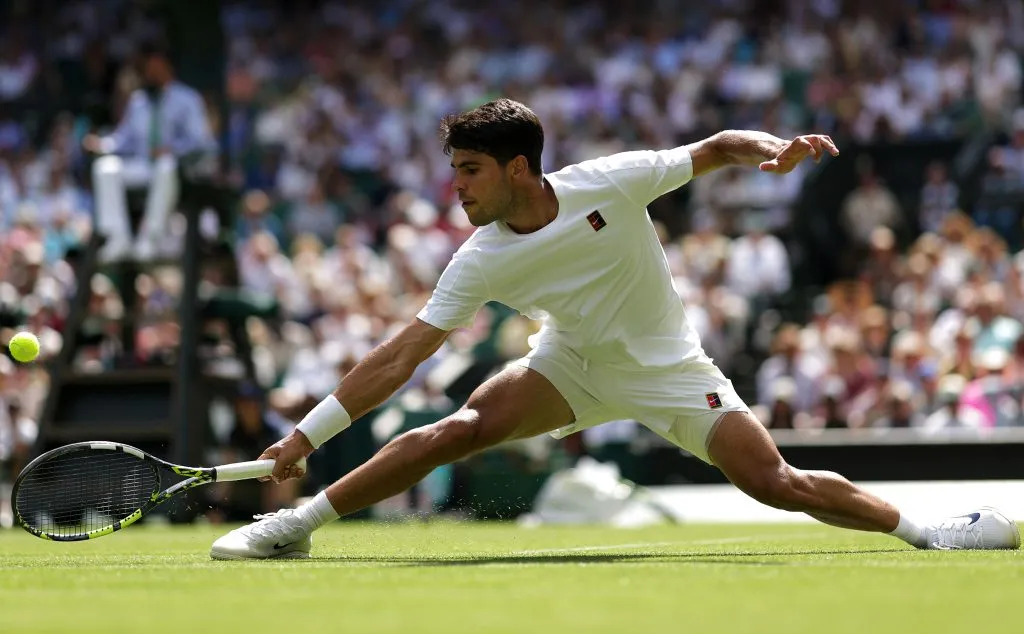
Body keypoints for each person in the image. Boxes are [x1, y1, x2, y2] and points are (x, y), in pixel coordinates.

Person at [210, 99, 1020, 559]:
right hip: (569, 364)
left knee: (773, 484)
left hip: (669, 369)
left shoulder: (611, 181)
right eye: (455, 169)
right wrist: (307, 436)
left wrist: (768, 151)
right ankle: (297, 525)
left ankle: (929, 531)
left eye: (470, 171)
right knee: (456, 428)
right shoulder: (478, 257)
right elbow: (400, 359)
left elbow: (713, 147)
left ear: (518, 169)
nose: (455, 188)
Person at [83, 42, 215, 262]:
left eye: (157, 68)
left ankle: (150, 237)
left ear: (168, 69)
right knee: (105, 168)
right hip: (144, 166)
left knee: (165, 163)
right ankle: (117, 237)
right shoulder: (138, 102)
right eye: (149, 69)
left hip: (177, 170)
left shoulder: (188, 99)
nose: (152, 74)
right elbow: (123, 139)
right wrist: (101, 144)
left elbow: (202, 142)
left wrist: (172, 149)